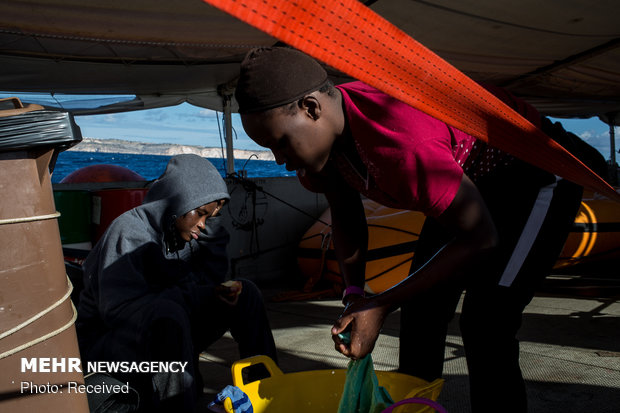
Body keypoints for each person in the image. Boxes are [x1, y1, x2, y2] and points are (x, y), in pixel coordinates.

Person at [233, 47, 598, 412]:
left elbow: (480, 237)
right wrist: (356, 295)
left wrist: (381, 305)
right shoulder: (324, 152)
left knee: (487, 322)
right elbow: (346, 215)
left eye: (280, 143)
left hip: (536, 170)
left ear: (312, 109)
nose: (280, 161)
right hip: (470, 179)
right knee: (421, 310)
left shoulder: (400, 143)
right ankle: (415, 408)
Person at [76, 154, 278, 412]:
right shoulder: (128, 232)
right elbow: (120, 311)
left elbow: (203, 282)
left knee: (246, 293)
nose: (203, 224)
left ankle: (265, 390)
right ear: (176, 202)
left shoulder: (181, 233)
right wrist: (189, 298)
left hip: (167, 326)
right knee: (167, 315)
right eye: (200, 213)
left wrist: (214, 285)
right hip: (110, 346)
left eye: (211, 216)